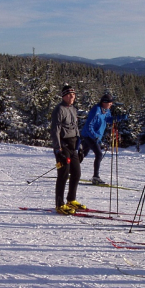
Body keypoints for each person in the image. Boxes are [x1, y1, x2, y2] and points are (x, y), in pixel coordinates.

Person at [51, 85, 85, 215]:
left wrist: (80, 147)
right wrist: (58, 150)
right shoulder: (58, 110)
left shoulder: (73, 109)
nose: (72, 97)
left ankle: (71, 199)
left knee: (76, 173)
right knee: (63, 175)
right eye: (70, 95)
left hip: (73, 146)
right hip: (62, 146)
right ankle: (59, 204)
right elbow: (55, 131)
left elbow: (76, 128)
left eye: (74, 95)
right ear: (63, 96)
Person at [80, 94, 127, 185]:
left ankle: (70, 170)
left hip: (95, 136)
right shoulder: (96, 110)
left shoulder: (106, 110)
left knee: (83, 154)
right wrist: (95, 136)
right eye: (110, 102)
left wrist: (119, 118)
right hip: (89, 135)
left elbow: (108, 119)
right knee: (99, 154)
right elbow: (89, 125)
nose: (111, 104)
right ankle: (95, 177)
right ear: (104, 102)